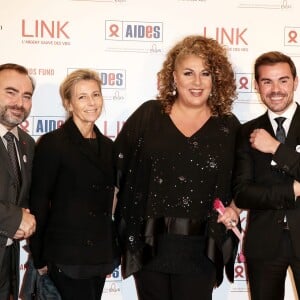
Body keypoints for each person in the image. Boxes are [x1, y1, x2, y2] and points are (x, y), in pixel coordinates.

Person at [114, 35, 241, 300]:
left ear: (216, 78)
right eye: (188, 73)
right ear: (174, 77)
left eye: (205, 73)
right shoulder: (149, 115)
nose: (197, 82)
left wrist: (235, 208)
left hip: (201, 249)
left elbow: (244, 182)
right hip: (151, 245)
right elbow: (116, 170)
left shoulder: (228, 126)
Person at [29, 69, 120, 300]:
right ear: (69, 104)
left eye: (96, 95)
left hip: (99, 256)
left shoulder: (108, 148)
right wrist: (38, 256)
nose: (91, 103)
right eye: (82, 97)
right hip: (66, 256)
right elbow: (39, 201)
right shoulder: (53, 144)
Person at [233, 51, 300, 300]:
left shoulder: (264, 139)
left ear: (295, 81)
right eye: (267, 82)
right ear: (257, 85)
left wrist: (275, 148)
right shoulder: (246, 132)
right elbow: (243, 194)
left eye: (283, 80)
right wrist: (293, 191)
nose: (276, 89)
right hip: (264, 244)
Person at [0, 63, 36, 300]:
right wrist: (15, 218)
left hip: (8, 265)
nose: (19, 103)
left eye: (26, 96)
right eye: (10, 92)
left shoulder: (26, 142)